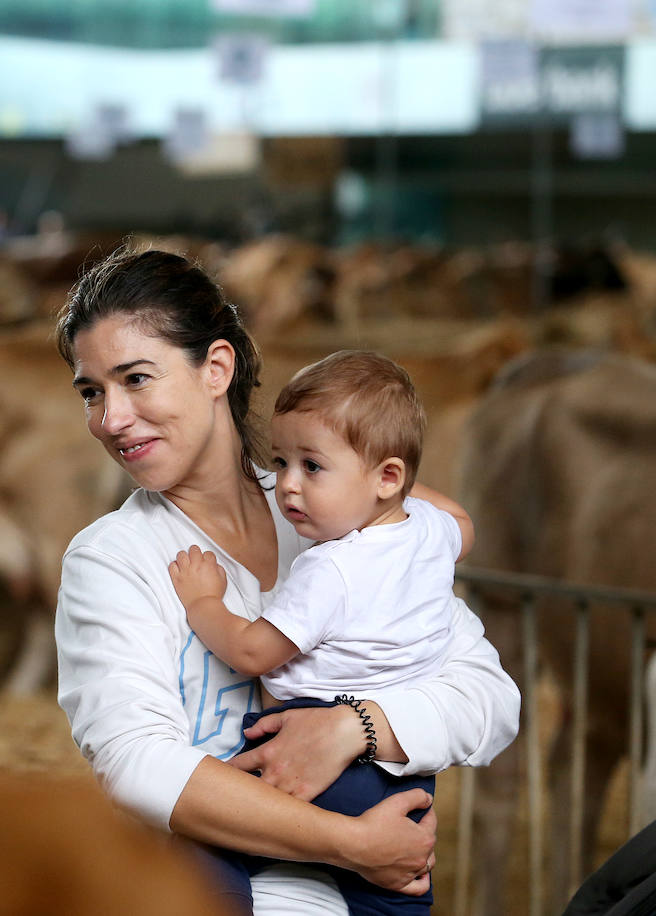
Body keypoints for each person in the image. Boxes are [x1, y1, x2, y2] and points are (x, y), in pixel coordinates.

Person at [54, 247, 520, 915]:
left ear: (216, 368)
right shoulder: (112, 557)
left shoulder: (344, 517)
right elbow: (136, 765)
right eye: (92, 392)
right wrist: (355, 843)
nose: (110, 419)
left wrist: (353, 729)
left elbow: (488, 698)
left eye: (136, 379)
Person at [168, 349, 476, 915]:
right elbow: (463, 523)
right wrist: (387, 493)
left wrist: (203, 601)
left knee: (202, 834)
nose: (286, 485)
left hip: (302, 744)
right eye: (280, 461)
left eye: (312, 467)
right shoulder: (432, 531)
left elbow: (252, 649)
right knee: (394, 887)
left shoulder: (331, 567)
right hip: (401, 770)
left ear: (388, 477)